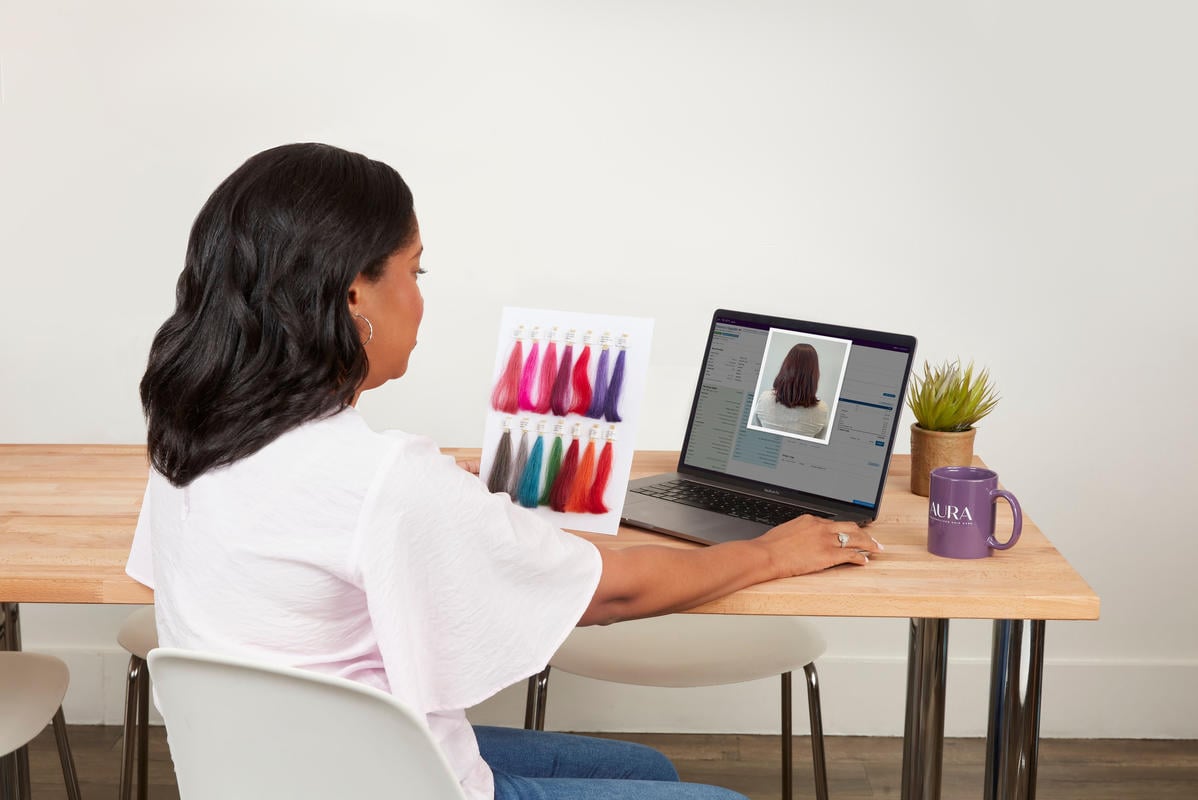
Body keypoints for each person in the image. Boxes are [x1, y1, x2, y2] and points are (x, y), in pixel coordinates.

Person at [126, 143, 880, 800]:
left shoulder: (186, 442)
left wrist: (432, 505)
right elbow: (610, 592)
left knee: (648, 766)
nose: (420, 298)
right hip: (402, 788)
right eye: (415, 271)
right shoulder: (383, 481)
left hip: (274, 780)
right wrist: (771, 552)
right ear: (356, 293)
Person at [753, 343, 830, 438]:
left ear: (786, 367)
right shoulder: (822, 409)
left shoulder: (764, 398)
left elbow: (757, 429)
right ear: (814, 374)